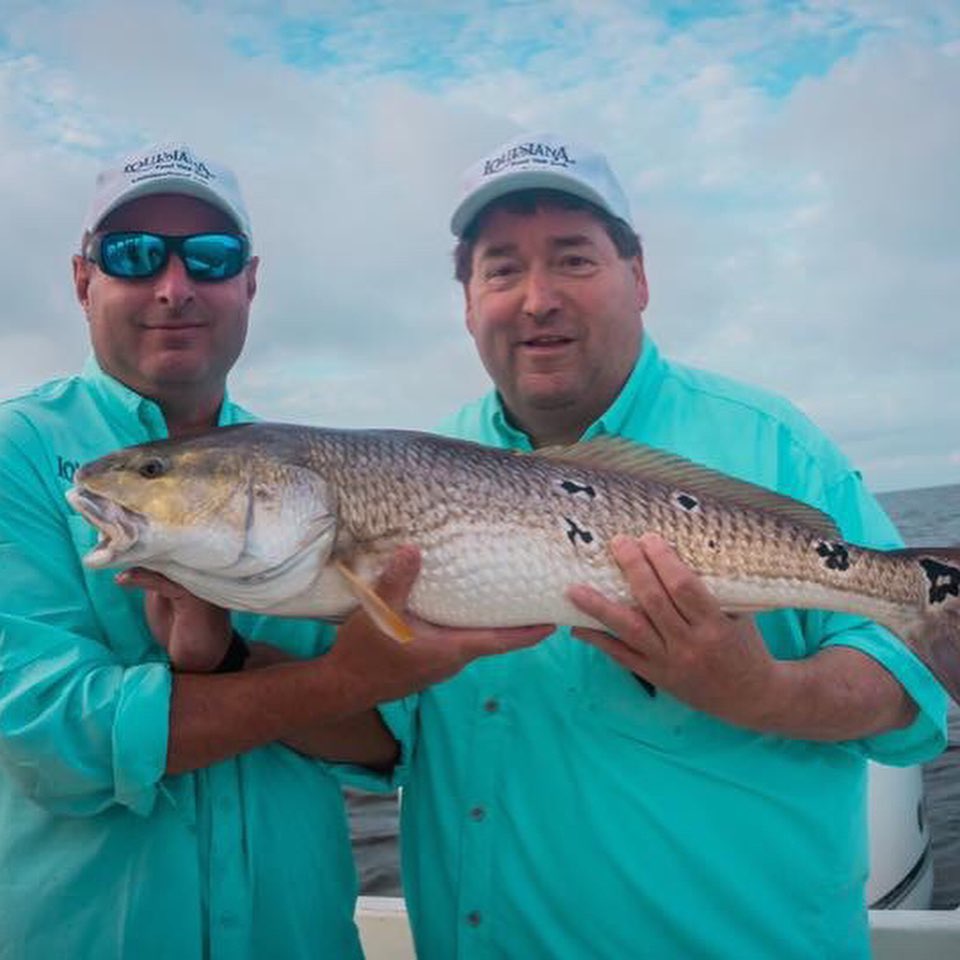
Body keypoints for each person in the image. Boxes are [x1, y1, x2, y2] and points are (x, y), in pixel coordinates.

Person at [379, 132, 949, 959]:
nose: (537, 298)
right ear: (468, 302)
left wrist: (761, 692)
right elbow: (386, 737)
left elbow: (910, 686)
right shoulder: (413, 470)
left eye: (573, 259)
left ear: (638, 278)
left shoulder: (772, 443)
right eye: (501, 268)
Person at [0, 142, 549, 959]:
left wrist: (228, 664)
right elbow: (50, 734)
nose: (174, 286)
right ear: (84, 280)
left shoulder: (300, 476)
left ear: (249, 283)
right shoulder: (17, 454)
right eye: (134, 254)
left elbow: (382, 748)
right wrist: (336, 680)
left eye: (211, 258)